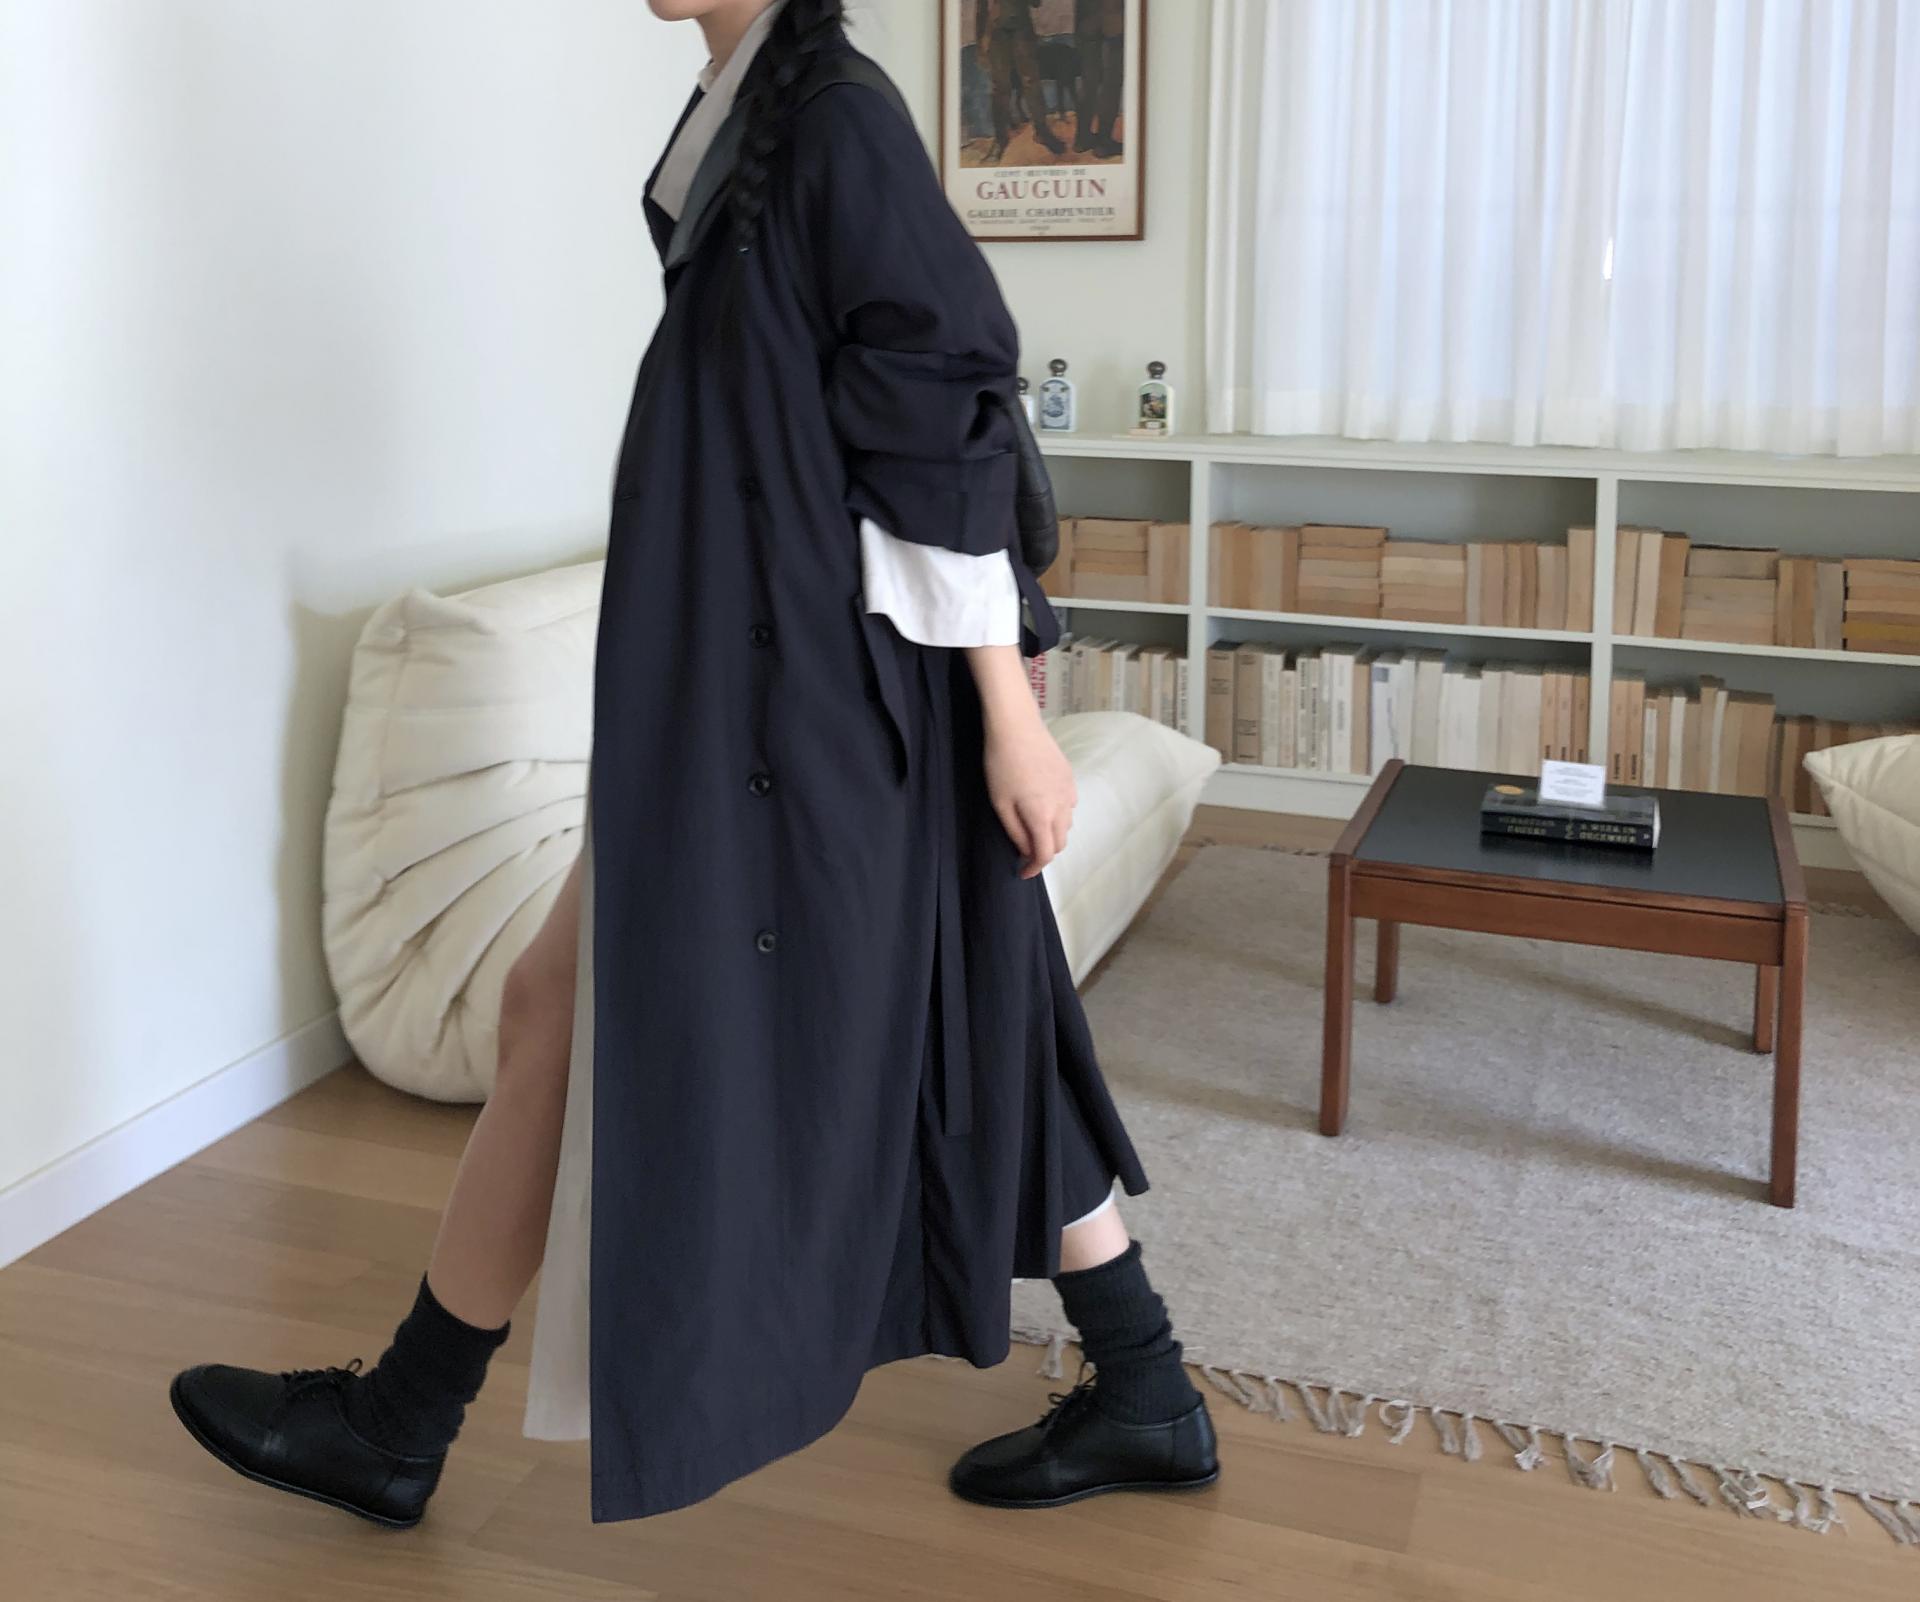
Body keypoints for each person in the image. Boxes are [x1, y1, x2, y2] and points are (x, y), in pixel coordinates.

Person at [167, 0, 1216, 1529]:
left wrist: (1012, 715)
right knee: (597, 1002)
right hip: (740, 695)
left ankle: (400, 1419)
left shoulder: (834, 118)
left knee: (939, 1009)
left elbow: (945, 410)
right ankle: (1146, 1384)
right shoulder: (750, 111)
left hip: (809, 712)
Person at [979, 0, 1066, 163]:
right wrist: (981, 43)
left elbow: (1036, 3)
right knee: (1000, 87)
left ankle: (1042, 132)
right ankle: (1000, 139)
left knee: (1031, 82)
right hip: (995, 32)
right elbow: (981, 6)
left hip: (1022, 29)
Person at [1073, 0, 1124, 159]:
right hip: (1114, 18)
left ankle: (1082, 139)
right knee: (1112, 83)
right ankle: (1103, 144)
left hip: (1087, 20)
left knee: (1088, 81)